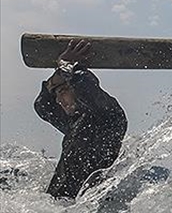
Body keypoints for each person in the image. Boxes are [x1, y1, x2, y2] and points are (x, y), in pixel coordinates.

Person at [34, 39, 128, 200]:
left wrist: (66, 65)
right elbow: (42, 106)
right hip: (58, 208)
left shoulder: (110, 116)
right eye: (56, 94)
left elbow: (84, 85)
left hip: (90, 211)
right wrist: (59, 72)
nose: (58, 100)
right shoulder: (74, 122)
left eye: (63, 91)